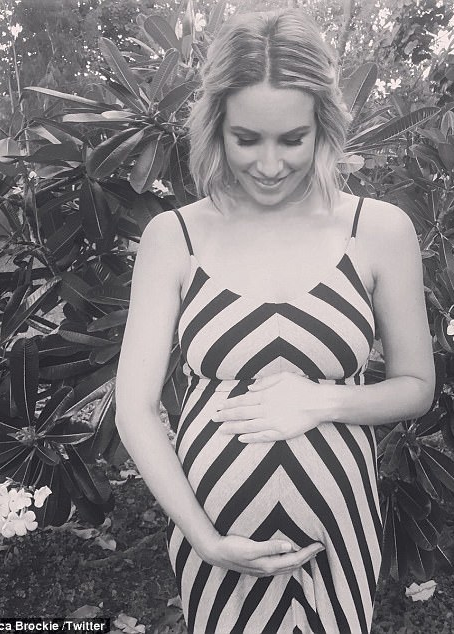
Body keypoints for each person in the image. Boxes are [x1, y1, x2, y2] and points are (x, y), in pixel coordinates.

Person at [115, 8, 435, 634]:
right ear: (215, 127)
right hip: (214, 540)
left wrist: (322, 401)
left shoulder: (378, 230)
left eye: (292, 139)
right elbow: (135, 408)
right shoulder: (173, 237)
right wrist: (204, 538)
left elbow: (417, 387)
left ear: (323, 126)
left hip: (339, 534)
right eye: (246, 139)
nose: (268, 165)